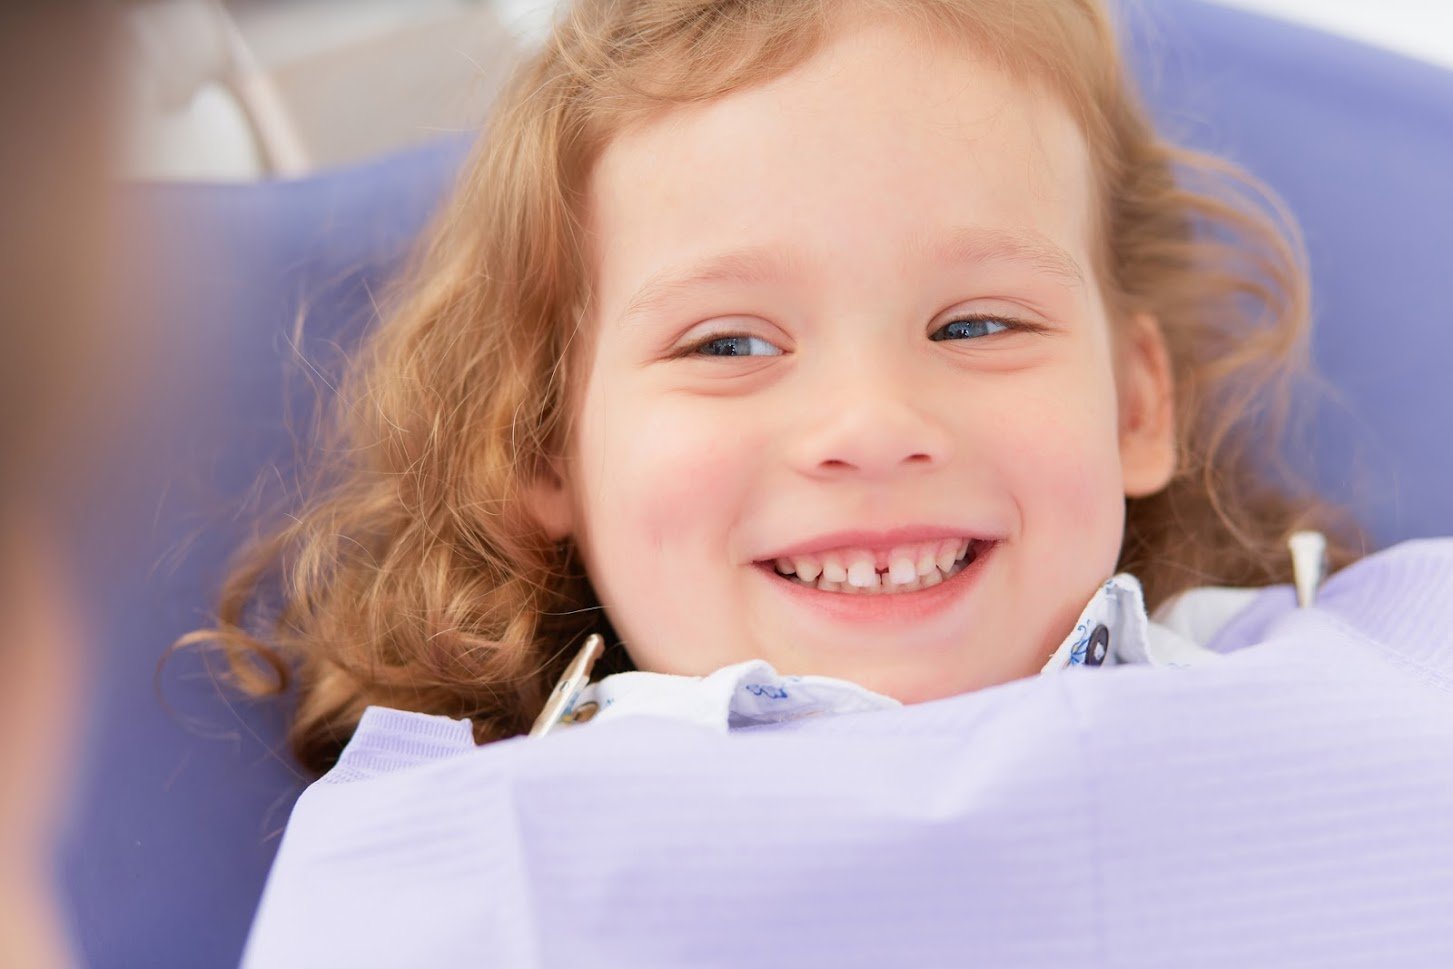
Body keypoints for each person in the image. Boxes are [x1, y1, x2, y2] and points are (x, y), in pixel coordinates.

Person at [189, 0, 1453, 964]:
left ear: (1133, 404)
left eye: (975, 327)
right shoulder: (454, 873)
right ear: (537, 448)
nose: (871, 425)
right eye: (728, 345)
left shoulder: (1399, 665)